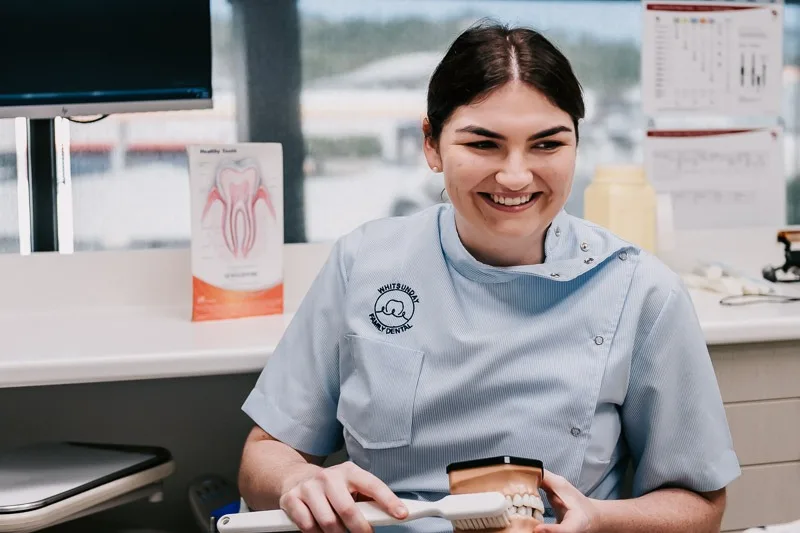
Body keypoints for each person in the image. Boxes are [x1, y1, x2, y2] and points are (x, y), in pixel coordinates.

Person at [237, 22, 741, 533]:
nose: (516, 176)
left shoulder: (640, 292)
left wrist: (599, 520)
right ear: (432, 145)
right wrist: (295, 481)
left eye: (547, 145)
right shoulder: (364, 263)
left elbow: (700, 502)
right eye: (484, 145)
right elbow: (264, 455)